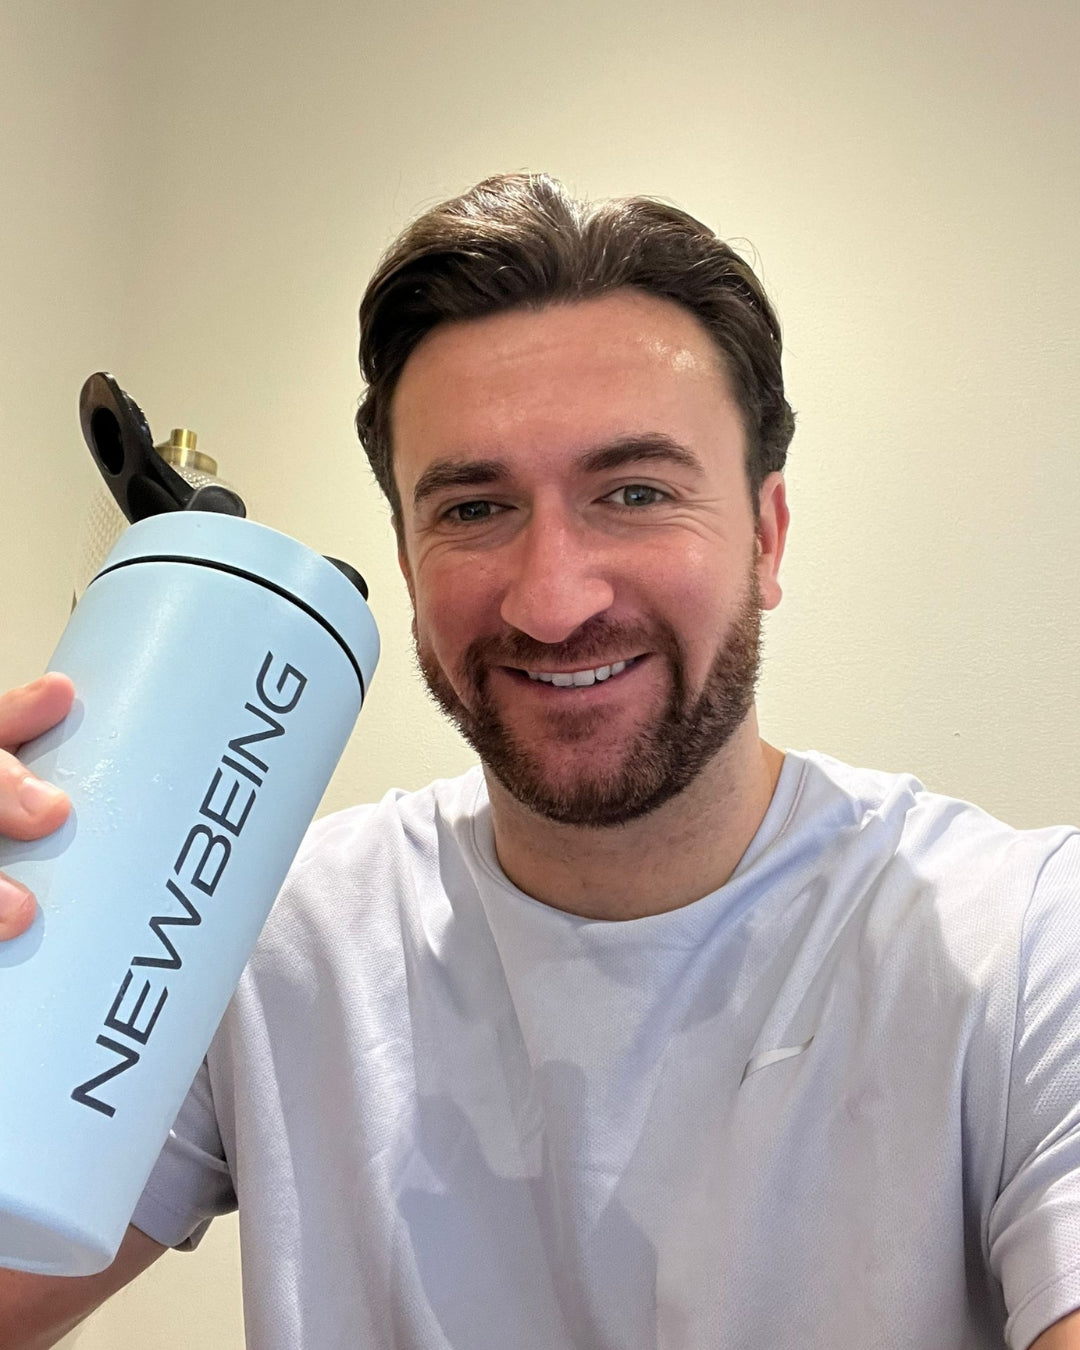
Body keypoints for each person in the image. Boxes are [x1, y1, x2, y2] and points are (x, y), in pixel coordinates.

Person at [2, 173, 1079, 1350]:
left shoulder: (1025, 947)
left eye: (635, 492)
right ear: (407, 563)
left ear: (767, 539)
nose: (553, 600)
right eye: (473, 510)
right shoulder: (250, 936)